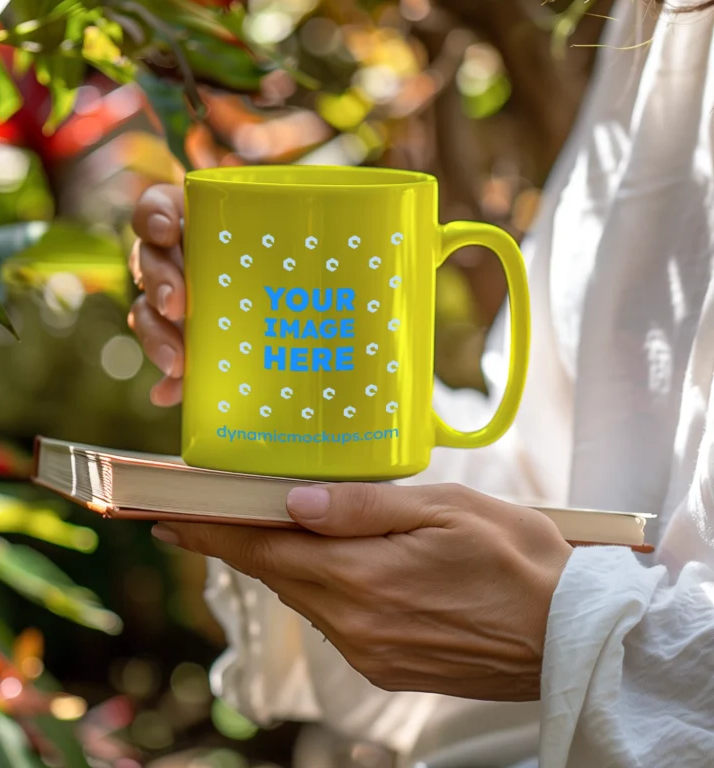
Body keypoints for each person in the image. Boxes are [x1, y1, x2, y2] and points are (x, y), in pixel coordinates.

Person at [127, 1, 714, 765]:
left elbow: (590, 587)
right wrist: (274, 376)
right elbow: (563, 486)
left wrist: (575, 635)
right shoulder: (661, 29)